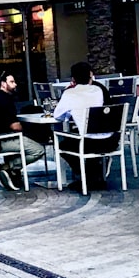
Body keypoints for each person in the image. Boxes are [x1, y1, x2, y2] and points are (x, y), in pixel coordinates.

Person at [51, 62, 114, 190]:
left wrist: (70, 113)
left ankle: (85, 175)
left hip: (87, 142)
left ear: (73, 79)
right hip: (110, 140)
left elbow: (58, 116)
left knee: (62, 144)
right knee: (86, 138)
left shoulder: (70, 93)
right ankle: (93, 175)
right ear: (90, 75)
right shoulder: (99, 90)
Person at [0, 72, 45, 191]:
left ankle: (10, 172)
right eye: (12, 82)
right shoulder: (4, 100)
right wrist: (28, 127)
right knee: (38, 150)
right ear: (3, 84)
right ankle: (6, 168)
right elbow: (15, 127)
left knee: (26, 141)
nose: (15, 85)